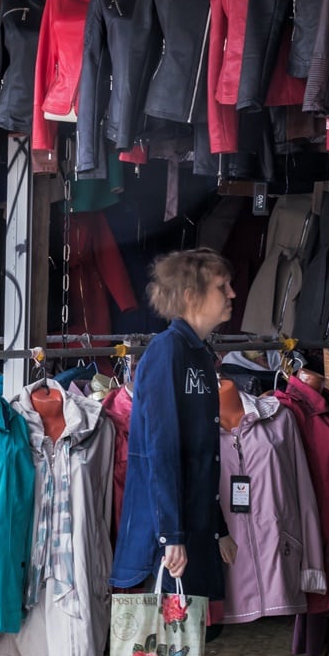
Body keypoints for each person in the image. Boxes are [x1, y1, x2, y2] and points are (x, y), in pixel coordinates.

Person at [112, 248, 238, 600]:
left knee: (190, 642)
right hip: (164, 537)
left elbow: (201, 458)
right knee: (166, 648)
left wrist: (219, 528)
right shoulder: (166, 352)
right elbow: (160, 450)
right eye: (221, 286)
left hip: (191, 527)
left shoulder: (198, 353)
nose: (232, 294)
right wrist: (171, 536)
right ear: (189, 295)